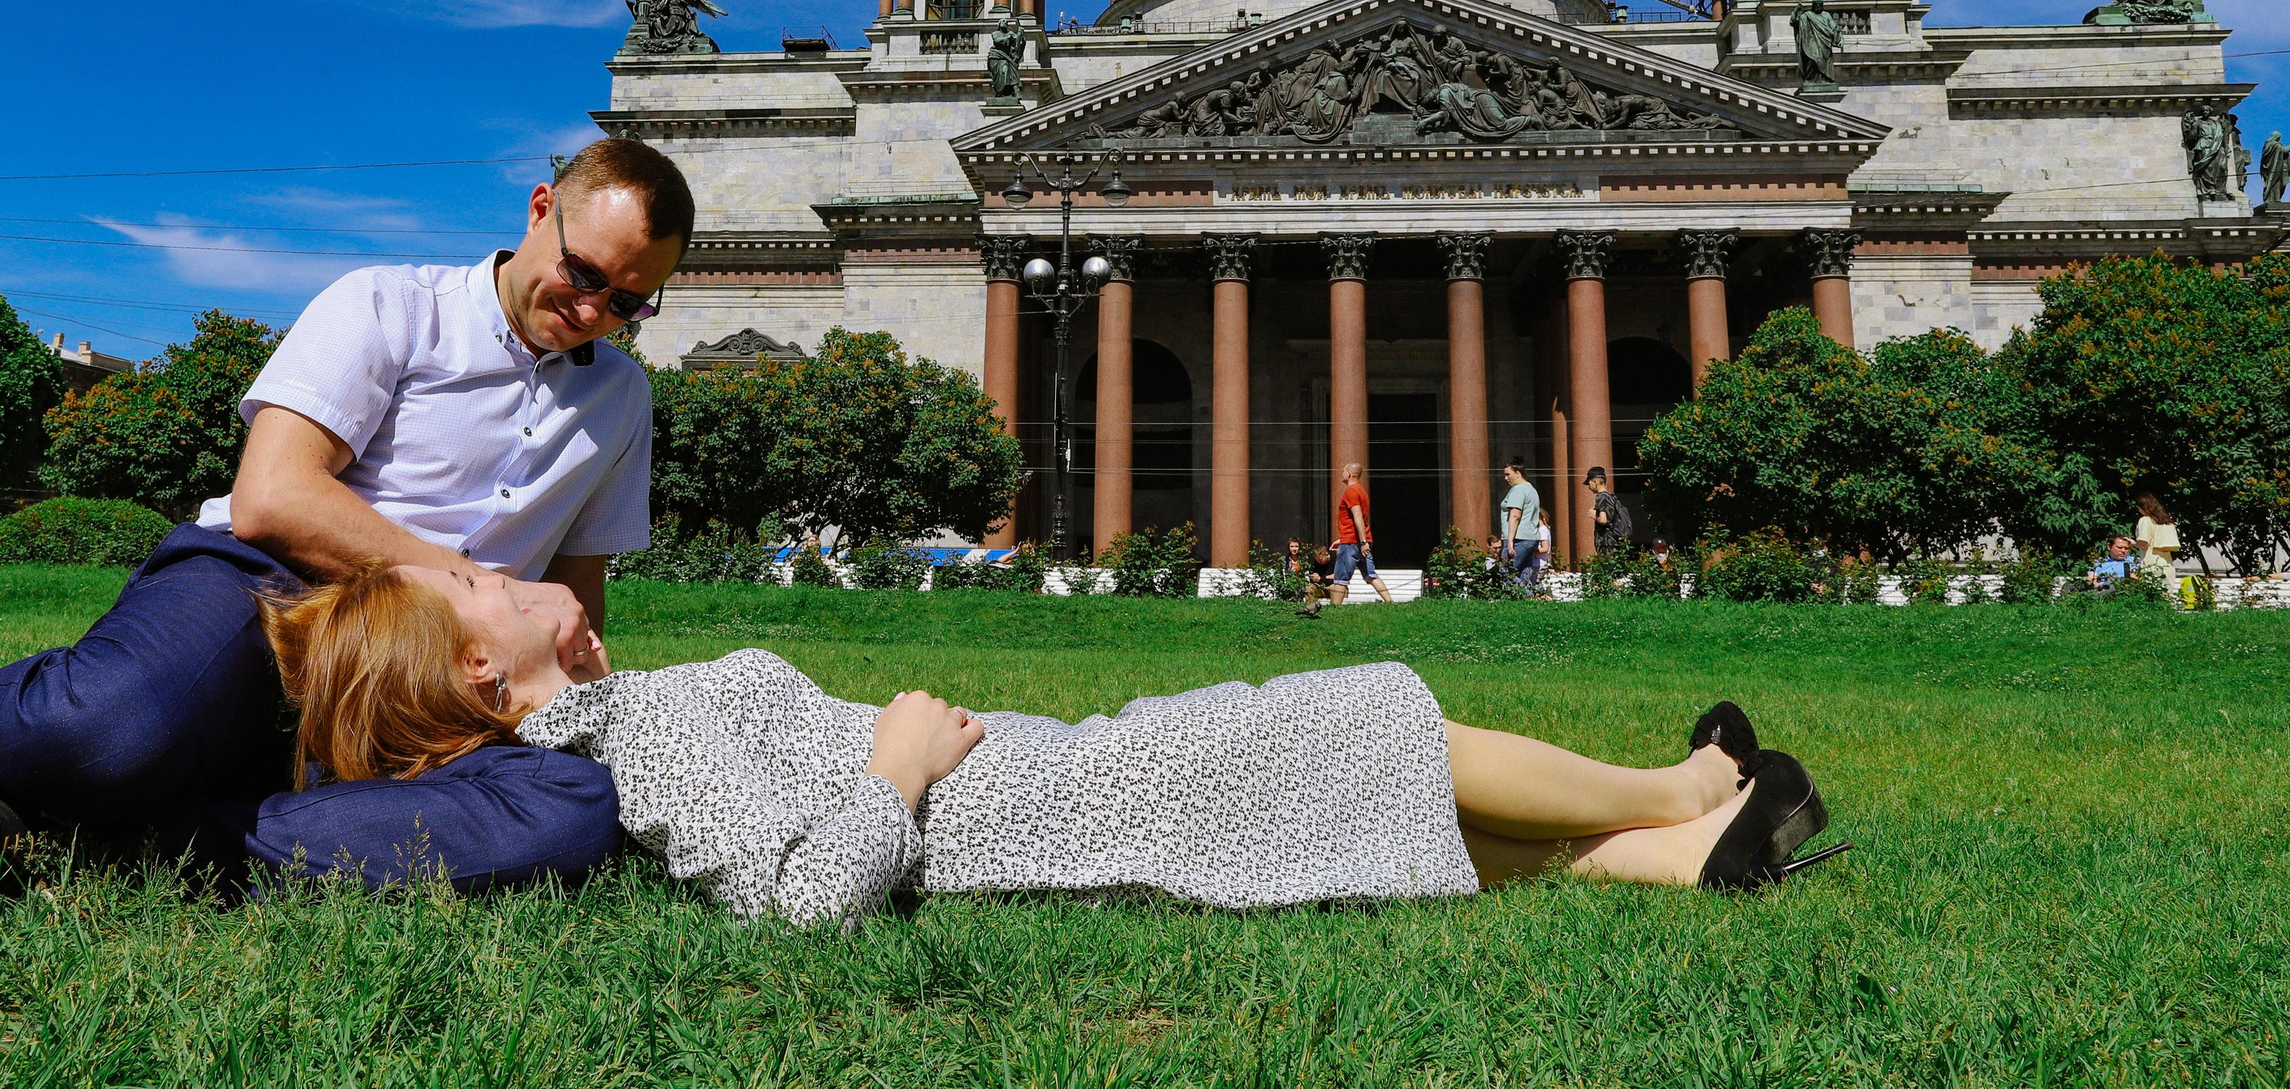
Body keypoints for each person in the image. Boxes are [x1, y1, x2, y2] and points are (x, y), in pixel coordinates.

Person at [0, 137, 696, 894]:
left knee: (578, 807)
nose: (594, 309)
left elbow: (578, 594)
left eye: (629, 301)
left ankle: (144, 840)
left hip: (434, 684)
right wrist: (472, 583)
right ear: (540, 209)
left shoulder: (621, 401)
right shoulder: (392, 307)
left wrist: (576, 705)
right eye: (583, 272)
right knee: (110, 727)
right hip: (268, 592)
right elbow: (276, 496)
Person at [246, 560, 1847, 927]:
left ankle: (1672, 846)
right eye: (473, 577)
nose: (499, 558)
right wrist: (902, 760)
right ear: (481, 662)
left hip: (1056, 780)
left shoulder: (626, 708)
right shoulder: (635, 729)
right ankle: (1696, 786)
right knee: (1370, 715)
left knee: (1369, 774)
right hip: (1059, 797)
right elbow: (799, 901)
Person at [1330, 462, 1392, 605]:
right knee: (1370, 574)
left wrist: (1361, 542)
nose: (1341, 474)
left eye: (1343, 471)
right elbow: (1357, 520)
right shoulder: (1362, 491)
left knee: (1340, 578)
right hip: (1360, 540)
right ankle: (1389, 602)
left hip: (1353, 542)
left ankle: (1334, 609)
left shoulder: (1351, 491)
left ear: (1349, 475)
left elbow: (1357, 516)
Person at [1498, 459, 1544, 584]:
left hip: (1518, 538)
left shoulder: (1518, 490)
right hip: (1531, 538)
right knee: (1525, 573)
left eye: (1508, 474)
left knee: (1505, 571)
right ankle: (1529, 599)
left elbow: (1515, 516)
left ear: (1518, 473)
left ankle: (1527, 595)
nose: (1506, 478)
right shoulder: (1531, 489)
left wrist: (1510, 541)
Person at [2133, 494, 2183, 600]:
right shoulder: (2167, 523)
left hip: (2151, 564)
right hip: (2167, 565)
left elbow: (2143, 544)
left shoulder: (2145, 520)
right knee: (2165, 598)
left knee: (2150, 598)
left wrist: (2131, 543)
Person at [1586, 467, 1633, 557]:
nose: (1589, 487)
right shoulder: (1611, 496)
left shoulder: (1601, 496)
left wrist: (1594, 515)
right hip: (1615, 541)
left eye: (1589, 483)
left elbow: (1604, 520)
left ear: (1595, 482)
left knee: (1608, 566)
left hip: (1606, 542)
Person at [1300, 544, 1337, 617]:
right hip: (1321, 586)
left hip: (1334, 586)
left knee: (1334, 588)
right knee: (1309, 588)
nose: (1319, 563)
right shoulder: (1316, 563)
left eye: (1320, 560)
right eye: (1317, 560)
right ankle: (1311, 610)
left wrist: (1321, 578)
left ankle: (1334, 611)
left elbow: (1338, 578)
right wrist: (1321, 578)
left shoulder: (1336, 559)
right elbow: (1313, 577)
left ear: (1326, 554)